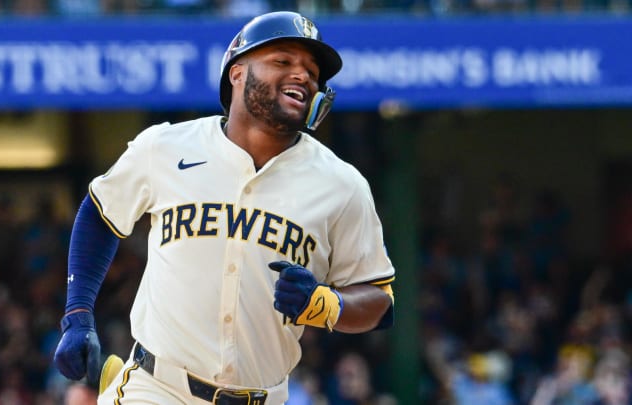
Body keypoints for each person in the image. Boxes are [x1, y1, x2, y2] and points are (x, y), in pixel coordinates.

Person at [52, 11, 396, 405]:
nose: (303, 76)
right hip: (158, 388)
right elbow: (99, 213)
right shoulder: (165, 147)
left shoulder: (342, 184)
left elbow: (379, 301)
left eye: (312, 72)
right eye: (283, 61)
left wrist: (326, 304)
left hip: (263, 396)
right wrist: (77, 314)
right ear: (237, 73)